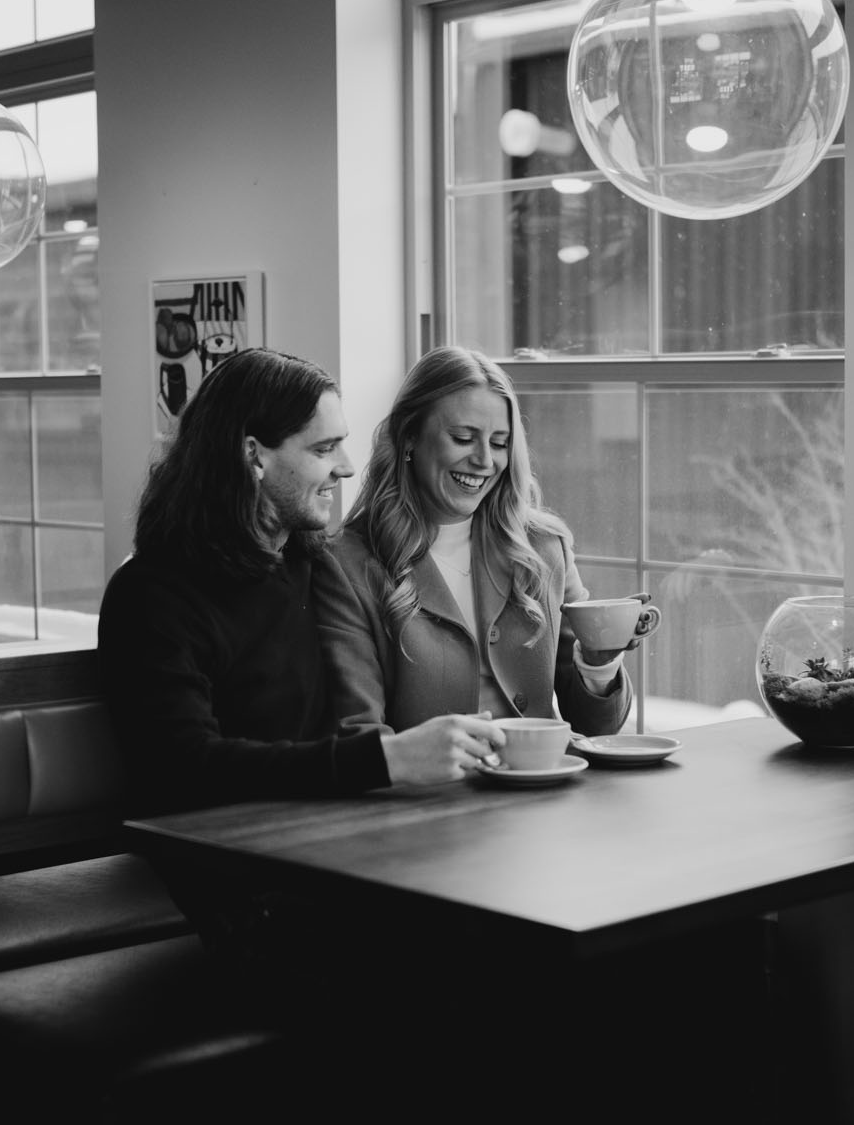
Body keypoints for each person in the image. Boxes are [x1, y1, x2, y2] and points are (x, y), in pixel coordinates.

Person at [97, 346, 504, 819]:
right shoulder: (150, 595)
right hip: (218, 855)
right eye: (323, 448)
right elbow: (182, 767)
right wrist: (386, 759)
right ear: (254, 456)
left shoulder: (312, 565)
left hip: (327, 832)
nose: (346, 467)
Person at [316, 346, 632, 743]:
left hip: (544, 791)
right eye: (464, 438)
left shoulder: (544, 548)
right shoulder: (346, 563)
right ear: (409, 436)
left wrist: (599, 664)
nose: (485, 460)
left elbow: (598, 727)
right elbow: (357, 736)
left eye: (500, 443)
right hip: (432, 801)